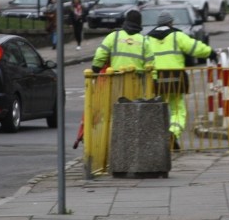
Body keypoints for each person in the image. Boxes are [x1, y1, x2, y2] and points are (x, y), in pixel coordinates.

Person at [147, 10, 218, 150]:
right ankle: (173, 133)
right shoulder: (177, 36)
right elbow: (194, 47)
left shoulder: (148, 38)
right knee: (178, 110)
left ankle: (156, 141)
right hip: (175, 78)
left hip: (155, 79)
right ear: (171, 22)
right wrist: (210, 52)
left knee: (156, 109)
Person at [91, 8, 153, 73]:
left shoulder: (113, 36)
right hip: (137, 79)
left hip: (117, 78)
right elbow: (150, 63)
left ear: (125, 21)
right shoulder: (144, 41)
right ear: (139, 23)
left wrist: (96, 68)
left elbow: (100, 54)